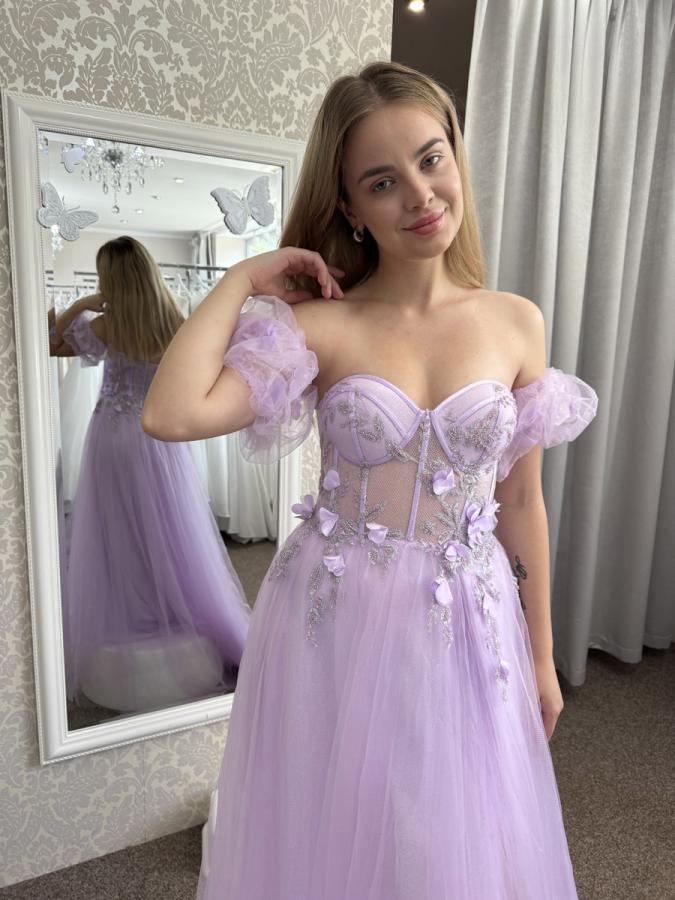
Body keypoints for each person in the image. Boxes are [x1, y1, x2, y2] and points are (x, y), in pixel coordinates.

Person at [142, 61, 598, 899]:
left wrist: (541, 656)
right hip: (336, 609)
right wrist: (242, 281)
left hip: (469, 614)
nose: (420, 196)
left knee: (448, 826)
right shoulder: (321, 325)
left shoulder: (514, 321)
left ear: (454, 156)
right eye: (383, 181)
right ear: (350, 205)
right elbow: (170, 415)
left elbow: (520, 500)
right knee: (346, 815)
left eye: (431, 160)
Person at [50, 236, 251, 711]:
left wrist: (79, 304)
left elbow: (51, 343)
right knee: (170, 526)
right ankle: (175, 605)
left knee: (118, 526)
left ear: (110, 280)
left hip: (113, 437)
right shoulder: (176, 320)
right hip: (160, 439)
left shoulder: (106, 325)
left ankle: (136, 606)